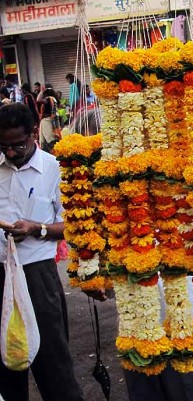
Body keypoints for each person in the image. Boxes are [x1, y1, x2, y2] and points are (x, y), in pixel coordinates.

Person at [0, 103, 84, 401]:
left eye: (17, 145)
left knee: (53, 363)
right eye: (4, 146)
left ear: (35, 133)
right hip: (1, 275)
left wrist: (38, 229)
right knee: (6, 365)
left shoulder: (55, 168)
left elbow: (74, 224)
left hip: (38, 276)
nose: (10, 153)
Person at [38, 88, 61, 153]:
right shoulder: (53, 99)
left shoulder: (48, 99)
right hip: (49, 121)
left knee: (49, 140)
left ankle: (53, 154)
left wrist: (41, 92)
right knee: (47, 139)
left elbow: (38, 100)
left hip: (46, 121)